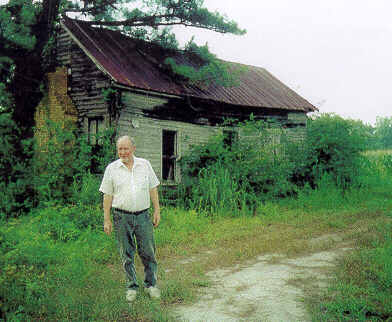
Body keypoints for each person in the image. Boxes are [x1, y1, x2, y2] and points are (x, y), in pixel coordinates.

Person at [99, 135, 161, 302]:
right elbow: (107, 195)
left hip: (143, 216)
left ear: (133, 149)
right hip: (121, 217)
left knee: (148, 252)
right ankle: (131, 287)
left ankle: (151, 285)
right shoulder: (112, 169)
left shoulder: (145, 165)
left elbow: (153, 188)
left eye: (126, 148)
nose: (123, 152)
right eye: (120, 149)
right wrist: (107, 219)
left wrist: (157, 210)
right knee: (126, 254)